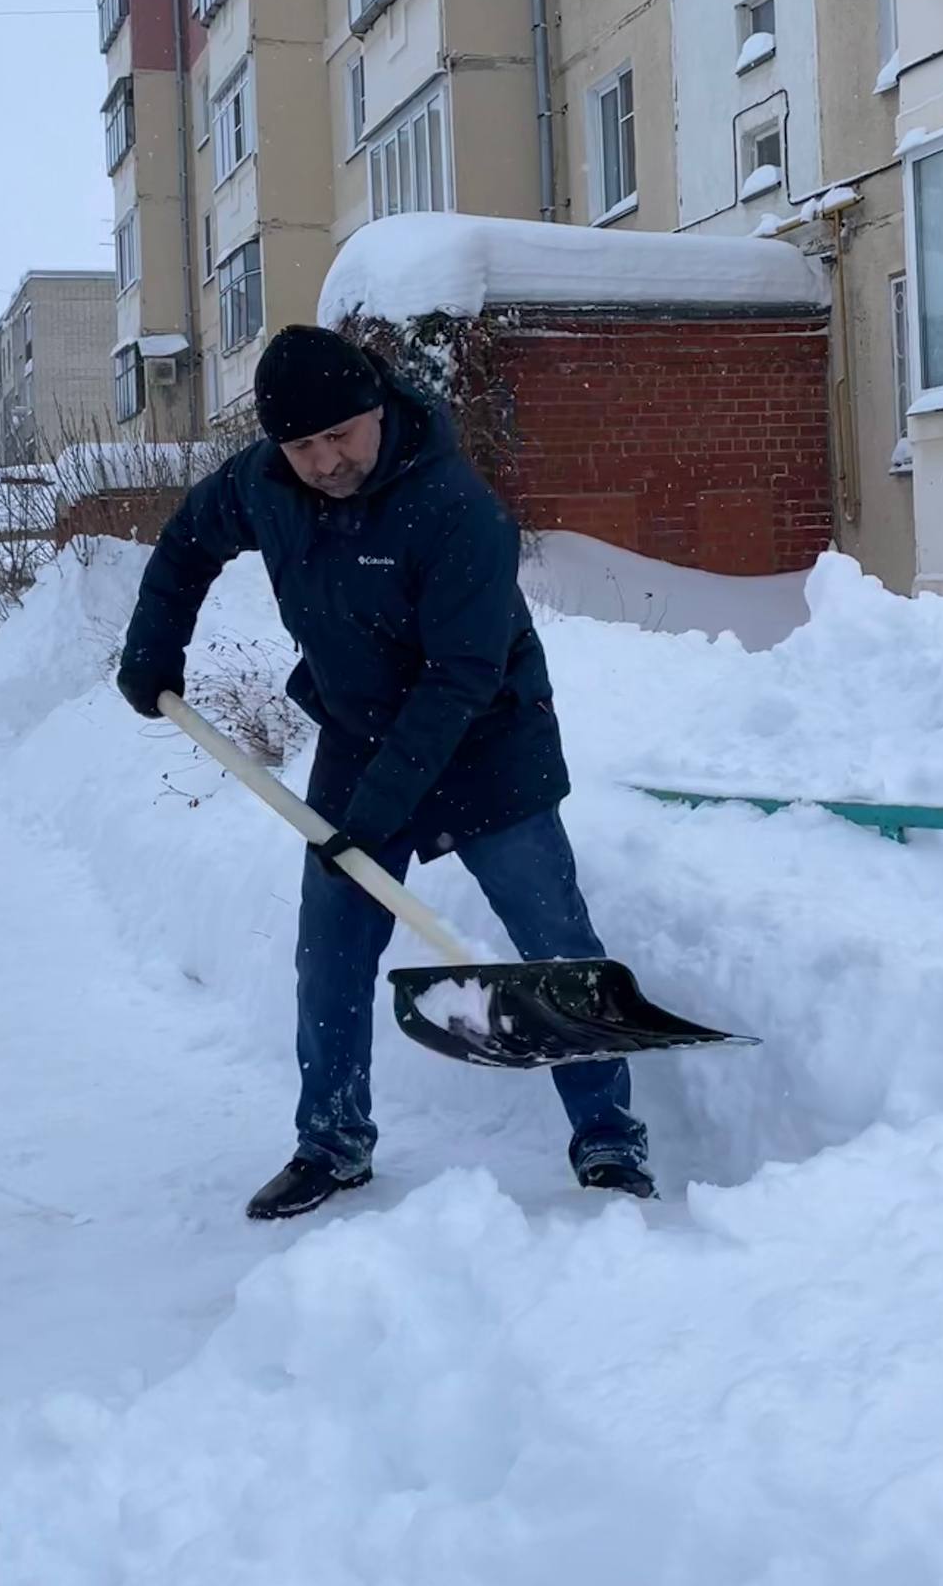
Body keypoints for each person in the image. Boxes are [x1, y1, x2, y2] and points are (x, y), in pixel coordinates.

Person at [115, 323, 652, 1218]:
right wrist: (154, 645)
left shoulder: (453, 508)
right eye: (302, 444)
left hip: (489, 745)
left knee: (552, 942)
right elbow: (185, 545)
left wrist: (374, 815)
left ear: (377, 409)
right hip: (361, 736)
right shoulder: (266, 485)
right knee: (330, 952)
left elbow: (462, 678)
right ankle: (332, 1141)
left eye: (340, 437)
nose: (324, 461)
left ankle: (607, 1139)